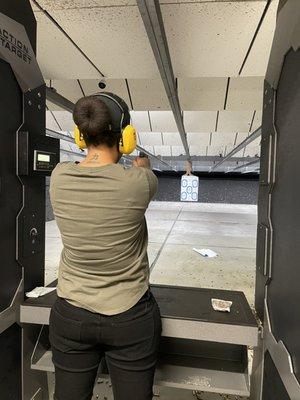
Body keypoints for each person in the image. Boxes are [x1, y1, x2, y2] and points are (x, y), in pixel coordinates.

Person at [49, 93, 162, 400]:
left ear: (79, 134)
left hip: (71, 314)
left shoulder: (58, 176)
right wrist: (141, 164)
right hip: (130, 317)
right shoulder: (140, 182)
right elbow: (142, 174)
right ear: (125, 136)